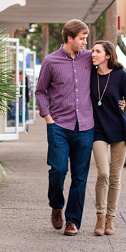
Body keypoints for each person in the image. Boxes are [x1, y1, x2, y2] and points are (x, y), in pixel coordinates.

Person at [35, 19, 93, 236]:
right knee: (58, 170)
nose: (85, 43)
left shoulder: (89, 58)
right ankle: (56, 206)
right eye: (82, 38)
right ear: (70, 38)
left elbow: (109, 68)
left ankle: (73, 221)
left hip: (86, 127)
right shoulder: (50, 62)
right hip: (58, 125)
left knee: (80, 176)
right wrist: (47, 117)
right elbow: (40, 91)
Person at [89, 40, 126, 236]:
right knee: (103, 173)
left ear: (108, 56)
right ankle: (100, 216)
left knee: (116, 176)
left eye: (97, 51)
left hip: (119, 129)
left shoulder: (120, 75)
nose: (93, 54)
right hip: (98, 130)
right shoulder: (90, 74)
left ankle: (110, 219)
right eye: (93, 51)